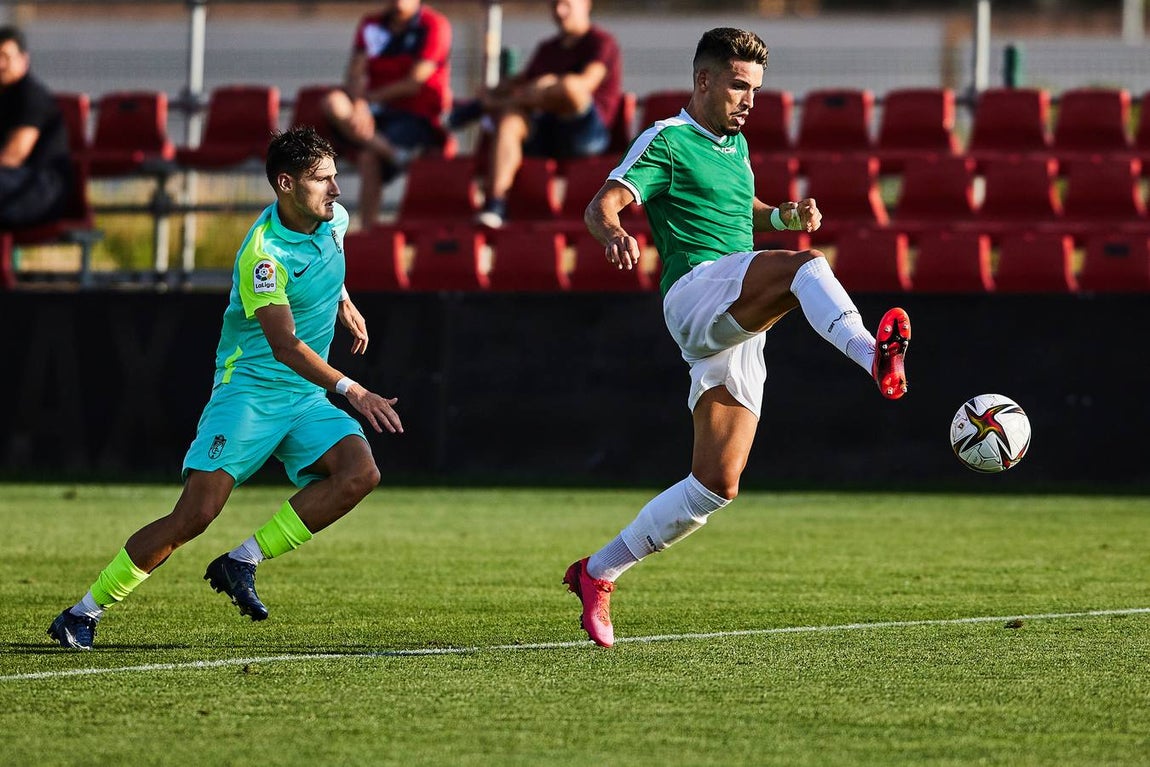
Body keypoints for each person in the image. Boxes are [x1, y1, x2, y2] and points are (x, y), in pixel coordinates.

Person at [564, 28, 911, 648]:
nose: (750, 99)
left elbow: (738, 210)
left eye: (756, 88)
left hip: (734, 315)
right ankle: (872, 356)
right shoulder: (668, 140)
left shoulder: (736, 146)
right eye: (737, 85)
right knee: (806, 267)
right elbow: (602, 203)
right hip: (696, 293)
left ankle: (598, 571)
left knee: (716, 484)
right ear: (702, 81)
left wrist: (782, 217)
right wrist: (613, 232)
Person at [47, 127, 404, 650]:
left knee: (359, 473)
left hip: (303, 397)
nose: (336, 189)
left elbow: (327, 264)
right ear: (285, 184)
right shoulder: (263, 257)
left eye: (335, 176)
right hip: (251, 393)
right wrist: (353, 390)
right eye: (322, 179)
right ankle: (82, 613)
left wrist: (343, 300)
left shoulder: (335, 221)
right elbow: (283, 346)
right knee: (196, 514)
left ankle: (242, 561)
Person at [468, 0, 621, 229]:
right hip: (547, 133)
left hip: (586, 136)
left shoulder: (601, 42)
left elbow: (585, 84)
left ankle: (508, 103)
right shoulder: (547, 49)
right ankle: (496, 204)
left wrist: (542, 86)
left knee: (568, 87)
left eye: (567, 4)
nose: (560, 11)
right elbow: (520, 82)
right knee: (510, 121)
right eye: (555, 5)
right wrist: (493, 93)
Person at [322, 0, 452, 227]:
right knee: (333, 102)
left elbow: (414, 83)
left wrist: (368, 100)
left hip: (414, 117)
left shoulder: (434, 26)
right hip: (369, 115)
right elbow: (355, 73)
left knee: (368, 157)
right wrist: (361, 105)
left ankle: (369, 233)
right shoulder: (371, 24)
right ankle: (393, 153)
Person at [0, 25, 70, 230]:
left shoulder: (31, 95)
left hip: (41, 191)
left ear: (24, 60)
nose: (0, 64)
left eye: (5, 56)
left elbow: (14, 156)